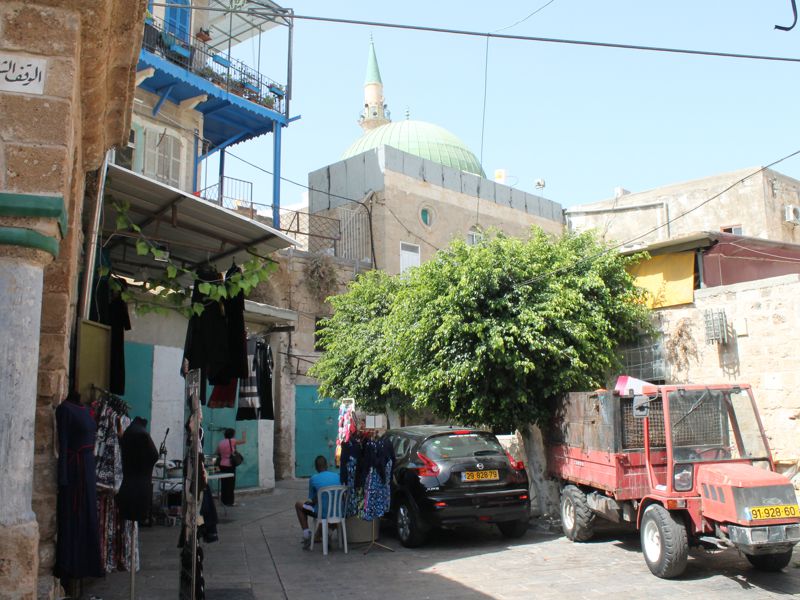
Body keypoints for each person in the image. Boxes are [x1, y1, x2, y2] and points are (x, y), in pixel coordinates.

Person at [294, 455, 340, 549]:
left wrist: (313, 502)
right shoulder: (337, 476)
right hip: (339, 512)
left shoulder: (314, 479)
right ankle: (328, 533)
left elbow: (312, 499)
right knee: (329, 511)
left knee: (298, 505)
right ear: (327, 465)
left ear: (315, 467)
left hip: (322, 512)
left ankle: (307, 535)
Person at [217, 428, 246, 506]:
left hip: (222, 464)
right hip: (230, 465)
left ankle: (224, 501)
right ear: (232, 435)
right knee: (230, 484)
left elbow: (217, 452)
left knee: (224, 483)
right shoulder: (232, 441)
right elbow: (243, 441)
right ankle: (230, 502)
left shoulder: (221, 442)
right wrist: (244, 433)